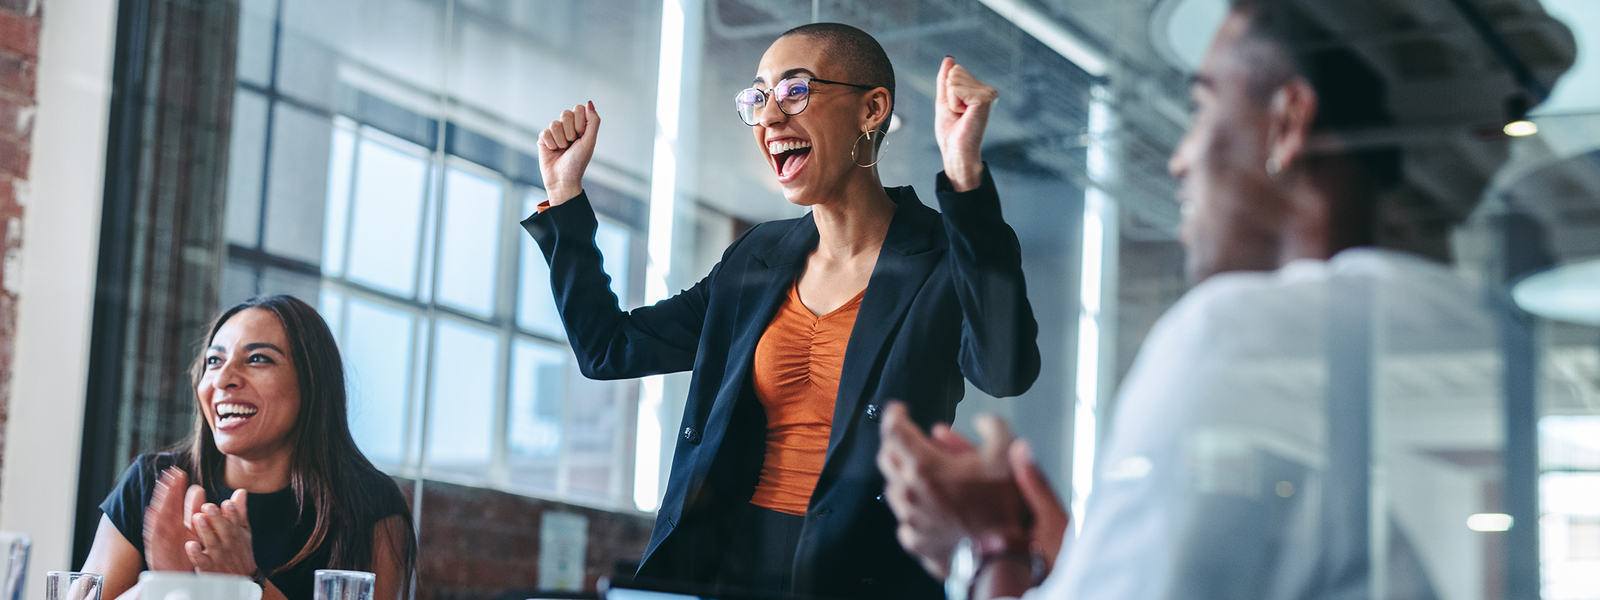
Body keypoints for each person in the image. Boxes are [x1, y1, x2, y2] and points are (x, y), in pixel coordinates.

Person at [878, 0, 1574, 599]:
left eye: (1203, 104)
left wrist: (984, 546)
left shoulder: (1242, 335)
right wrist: (1068, 568)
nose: (1181, 157)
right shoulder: (1498, 337)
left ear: (1289, 123)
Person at [528, 22, 1040, 599]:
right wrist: (566, 197)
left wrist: (964, 176)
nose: (769, 117)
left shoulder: (947, 255)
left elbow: (1004, 369)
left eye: (795, 91)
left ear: (872, 109)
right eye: (758, 96)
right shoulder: (757, 259)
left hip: (866, 574)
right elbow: (609, 349)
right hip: (728, 567)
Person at [83, 295, 417, 600]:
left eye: (257, 359)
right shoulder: (152, 481)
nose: (224, 378)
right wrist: (168, 585)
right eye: (214, 361)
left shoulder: (370, 506)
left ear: (312, 382)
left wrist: (247, 582)